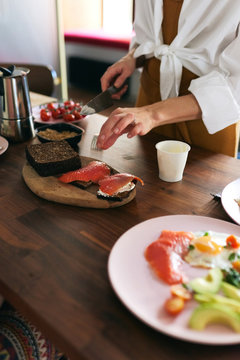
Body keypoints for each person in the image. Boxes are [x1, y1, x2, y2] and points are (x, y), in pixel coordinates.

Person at [97, 0, 240, 157]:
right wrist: (131, 58)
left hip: (206, 117)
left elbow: (235, 86)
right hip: (146, 107)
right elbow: (146, 36)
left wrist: (152, 114)